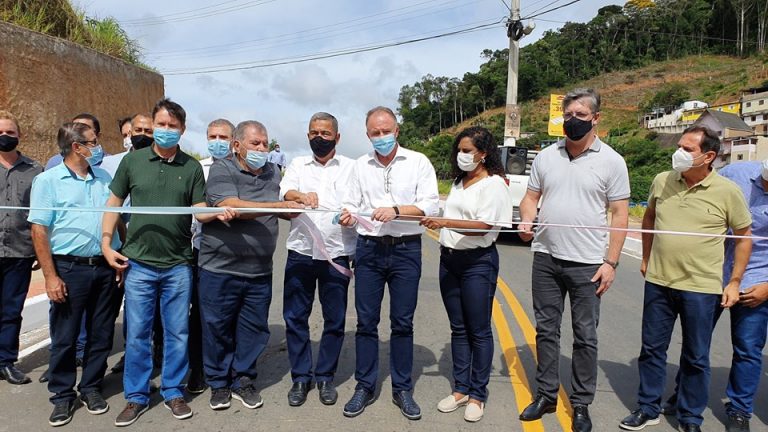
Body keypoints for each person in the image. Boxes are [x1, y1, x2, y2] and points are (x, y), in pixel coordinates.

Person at [619, 126, 752, 432]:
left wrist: (734, 281)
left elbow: (744, 237)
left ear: (709, 156)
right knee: (652, 349)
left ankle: (690, 417)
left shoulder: (728, 191)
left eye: (688, 149)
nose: (678, 152)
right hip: (659, 282)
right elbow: (649, 217)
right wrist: (646, 258)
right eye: (679, 146)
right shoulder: (662, 180)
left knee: (696, 356)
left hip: (701, 288)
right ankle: (647, 408)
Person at [518, 88, 630, 432]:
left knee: (585, 335)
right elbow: (530, 198)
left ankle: (581, 402)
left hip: (588, 264)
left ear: (596, 119)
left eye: (580, 115)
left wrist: (611, 263)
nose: (572, 120)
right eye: (568, 115)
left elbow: (620, 214)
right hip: (546, 257)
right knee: (546, 330)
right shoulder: (546, 156)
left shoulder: (612, 161)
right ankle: (546, 394)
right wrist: (526, 220)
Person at [101, 98, 206, 426]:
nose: (165, 130)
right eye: (161, 124)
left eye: (172, 126)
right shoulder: (132, 162)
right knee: (137, 335)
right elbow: (113, 203)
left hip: (178, 265)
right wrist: (106, 243)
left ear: (182, 130)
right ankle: (136, 396)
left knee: (177, 333)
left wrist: (224, 211)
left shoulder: (191, 168)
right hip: (139, 265)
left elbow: (200, 211)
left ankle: (173, 391)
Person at [339, 106, 439, 420]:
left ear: (397, 131)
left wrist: (396, 210)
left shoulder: (418, 162)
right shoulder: (360, 165)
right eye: (375, 133)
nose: (381, 137)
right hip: (369, 250)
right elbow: (350, 203)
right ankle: (364, 385)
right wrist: (346, 215)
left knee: (402, 322)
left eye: (386, 131)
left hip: (406, 250)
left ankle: (402, 388)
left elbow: (430, 205)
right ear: (367, 134)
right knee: (366, 322)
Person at [197, 120, 302, 411]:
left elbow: (278, 208)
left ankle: (243, 379)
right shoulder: (222, 169)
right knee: (217, 328)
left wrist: (296, 207)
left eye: (265, 144)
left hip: (259, 270)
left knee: (253, 329)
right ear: (237, 145)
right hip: (220, 268)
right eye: (255, 143)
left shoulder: (273, 172)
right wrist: (278, 207)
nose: (261, 149)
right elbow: (232, 205)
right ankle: (219, 383)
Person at [29, 122, 123, 427]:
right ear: (76, 147)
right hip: (70, 269)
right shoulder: (48, 181)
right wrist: (50, 277)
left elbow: (116, 219)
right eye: (93, 142)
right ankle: (62, 395)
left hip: (105, 267)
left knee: (101, 333)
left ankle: (91, 387)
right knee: (66, 337)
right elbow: (39, 230)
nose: (99, 147)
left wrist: (122, 256)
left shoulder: (104, 178)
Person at [420, 126, 512, 423]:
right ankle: (460, 389)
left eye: (467, 151)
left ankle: (477, 395)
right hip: (450, 260)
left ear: (483, 153)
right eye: (459, 150)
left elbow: (485, 226)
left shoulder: (494, 184)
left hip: (478, 263)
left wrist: (445, 223)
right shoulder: (460, 182)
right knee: (458, 328)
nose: (461, 155)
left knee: (479, 330)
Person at [279, 112, 356, 407]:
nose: (319, 138)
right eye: (314, 133)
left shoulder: (351, 168)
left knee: (334, 319)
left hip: (336, 253)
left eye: (325, 133)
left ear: (337, 137)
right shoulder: (298, 165)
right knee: (295, 317)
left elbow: (360, 203)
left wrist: (352, 216)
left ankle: (325, 376)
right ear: (308, 135)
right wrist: (300, 195)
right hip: (301, 252)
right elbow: (286, 191)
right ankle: (301, 378)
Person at [186, 118, 235, 395]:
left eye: (223, 137)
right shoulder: (198, 168)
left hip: (234, 251)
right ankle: (198, 368)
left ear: (233, 141)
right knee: (200, 314)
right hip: (202, 248)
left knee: (230, 312)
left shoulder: (239, 168)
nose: (217, 142)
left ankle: (230, 368)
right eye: (212, 137)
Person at [0, 110, 42, 385]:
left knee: (11, 310)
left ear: (19, 135)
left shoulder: (35, 170)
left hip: (19, 251)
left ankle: (5, 361)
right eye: (1, 132)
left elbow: (40, 213)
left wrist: (40, 249)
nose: (5, 136)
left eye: (10, 132)